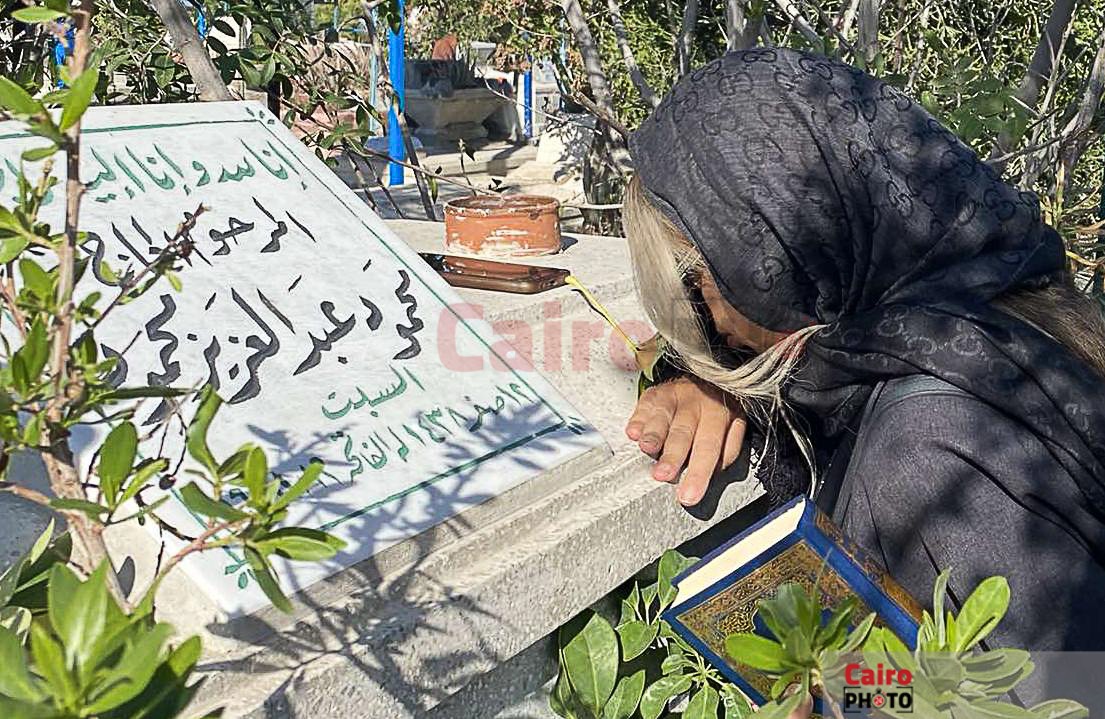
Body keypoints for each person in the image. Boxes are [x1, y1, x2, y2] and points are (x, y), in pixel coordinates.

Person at [622, 47, 1105, 706]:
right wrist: (712, 379)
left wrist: (838, 693)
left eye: (698, 291)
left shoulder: (926, 451)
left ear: (773, 252)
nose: (714, 331)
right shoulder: (989, 309)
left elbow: (1066, 698)